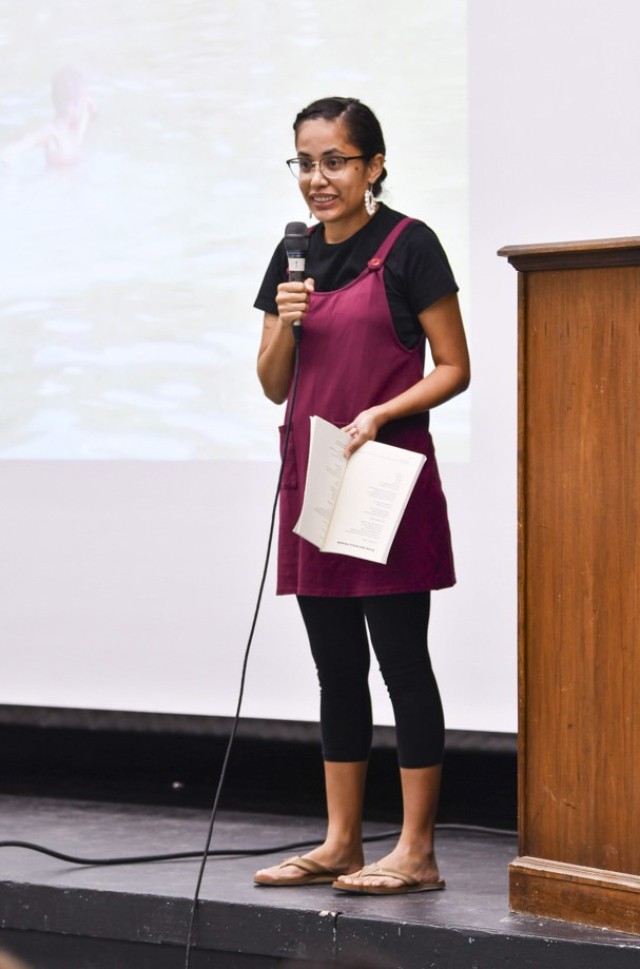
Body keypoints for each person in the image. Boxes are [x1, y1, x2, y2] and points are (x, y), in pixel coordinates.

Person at [253, 97, 470, 895]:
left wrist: (382, 410)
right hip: (318, 474)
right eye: (305, 162)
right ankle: (342, 841)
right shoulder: (292, 256)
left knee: (402, 662)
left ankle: (416, 850)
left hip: (386, 476)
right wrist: (283, 323)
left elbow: (454, 364)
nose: (319, 178)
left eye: (336, 160)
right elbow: (273, 381)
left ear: (374, 165)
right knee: (334, 668)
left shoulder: (410, 246)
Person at [2, 67, 96, 168]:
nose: (86, 105)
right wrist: (12, 152)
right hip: (57, 181)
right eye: (84, 99)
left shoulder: (80, 119)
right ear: (72, 104)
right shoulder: (53, 132)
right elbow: (28, 141)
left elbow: (90, 107)